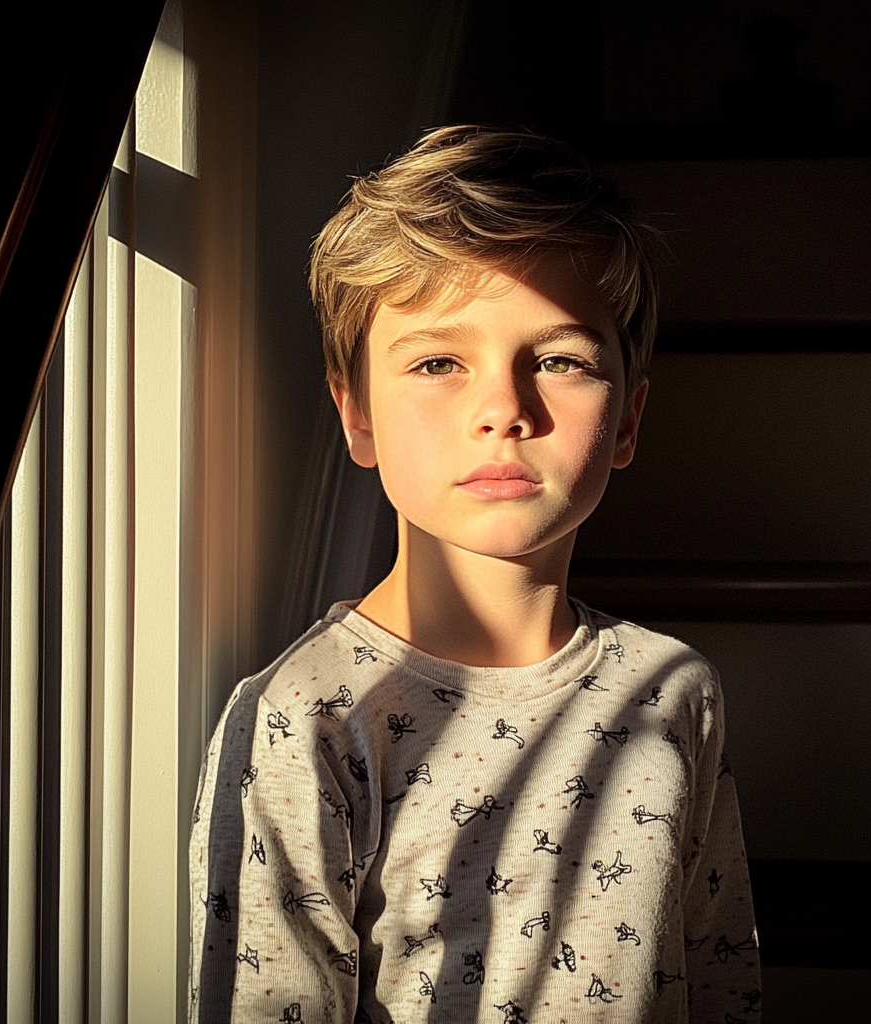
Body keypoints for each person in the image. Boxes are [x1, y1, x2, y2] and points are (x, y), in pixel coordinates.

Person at [189, 125, 759, 1024]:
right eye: (439, 362)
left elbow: (720, 979)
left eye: (561, 360)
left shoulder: (676, 691)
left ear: (626, 421)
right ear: (358, 416)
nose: (504, 408)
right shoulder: (305, 721)